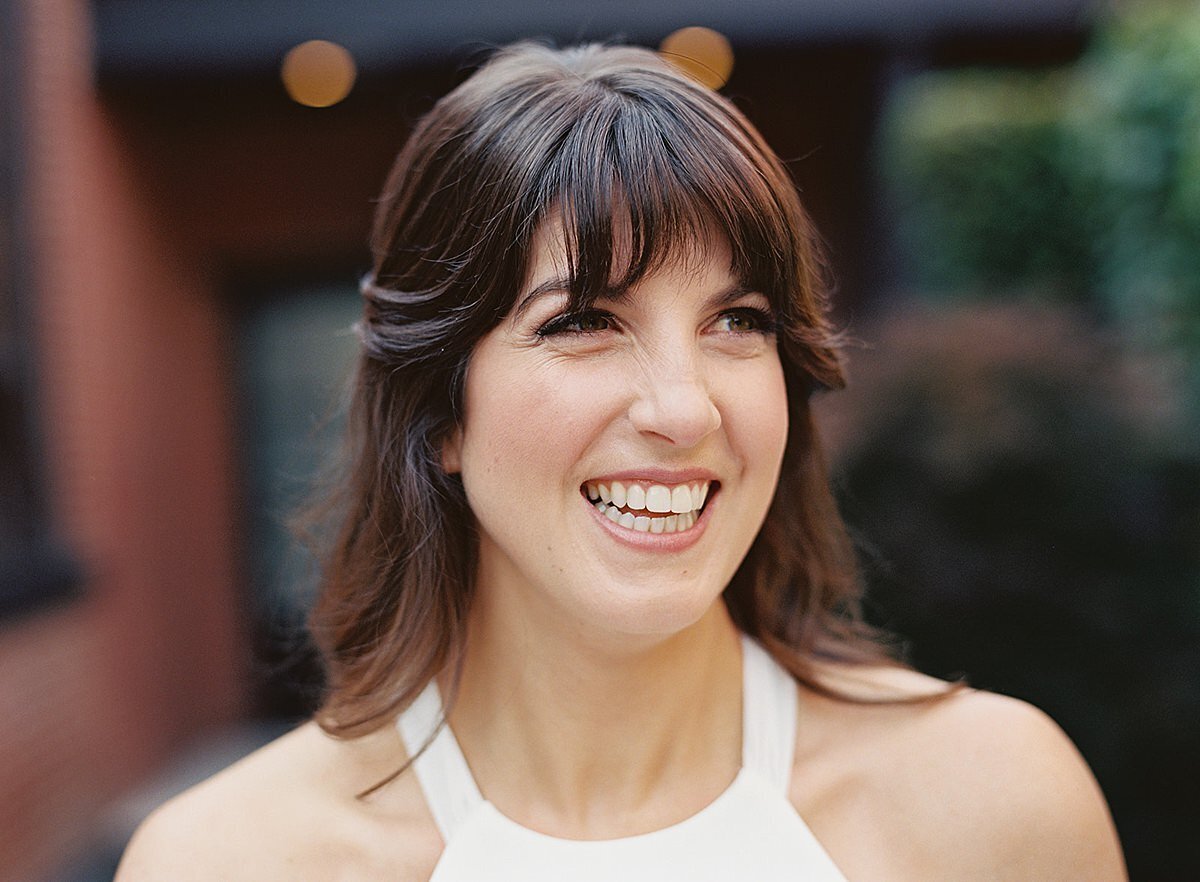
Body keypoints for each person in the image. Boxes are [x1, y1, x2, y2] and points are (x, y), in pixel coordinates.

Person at [116, 42, 1127, 880]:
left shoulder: (996, 808)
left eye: (739, 321)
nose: (685, 409)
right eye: (586, 321)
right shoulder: (224, 861)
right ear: (438, 412)